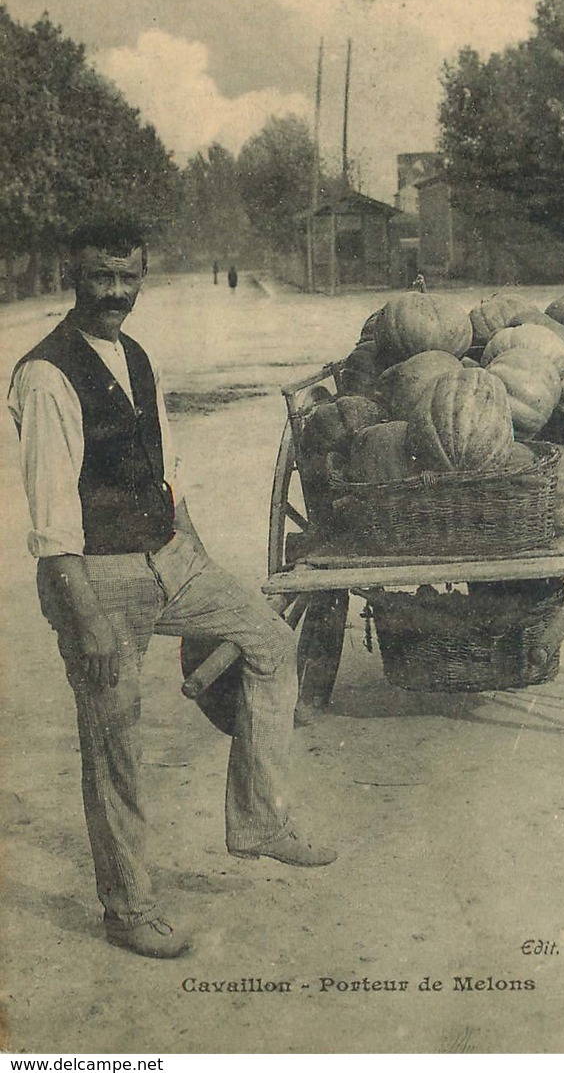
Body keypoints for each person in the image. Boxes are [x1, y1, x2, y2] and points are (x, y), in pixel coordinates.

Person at [8, 219, 336, 960]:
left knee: (269, 641)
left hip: (169, 557)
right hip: (95, 575)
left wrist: (201, 566)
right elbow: (54, 523)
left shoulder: (136, 354)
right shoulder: (46, 373)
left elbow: (168, 476)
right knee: (114, 740)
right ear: (73, 275)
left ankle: (257, 818)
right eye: (99, 277)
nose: (115, 293)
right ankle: (127, 906)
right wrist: (86, 619)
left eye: (128, 278)